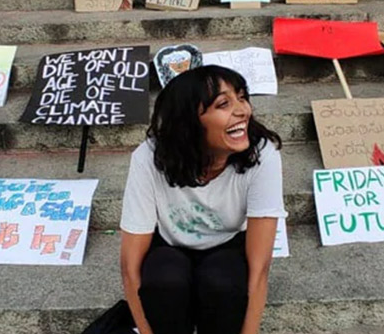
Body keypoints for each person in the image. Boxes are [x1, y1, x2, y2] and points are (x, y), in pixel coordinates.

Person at [120, 65, 286, 334]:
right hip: (168, 247)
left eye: (242, 97)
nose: (242, 110)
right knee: (165, 279)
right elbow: (130, 266)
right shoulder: (149, 157)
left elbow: (260, 269)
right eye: (223, 104)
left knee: (222, 281)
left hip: (227, 246)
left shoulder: (262, 154)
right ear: (190, 121)